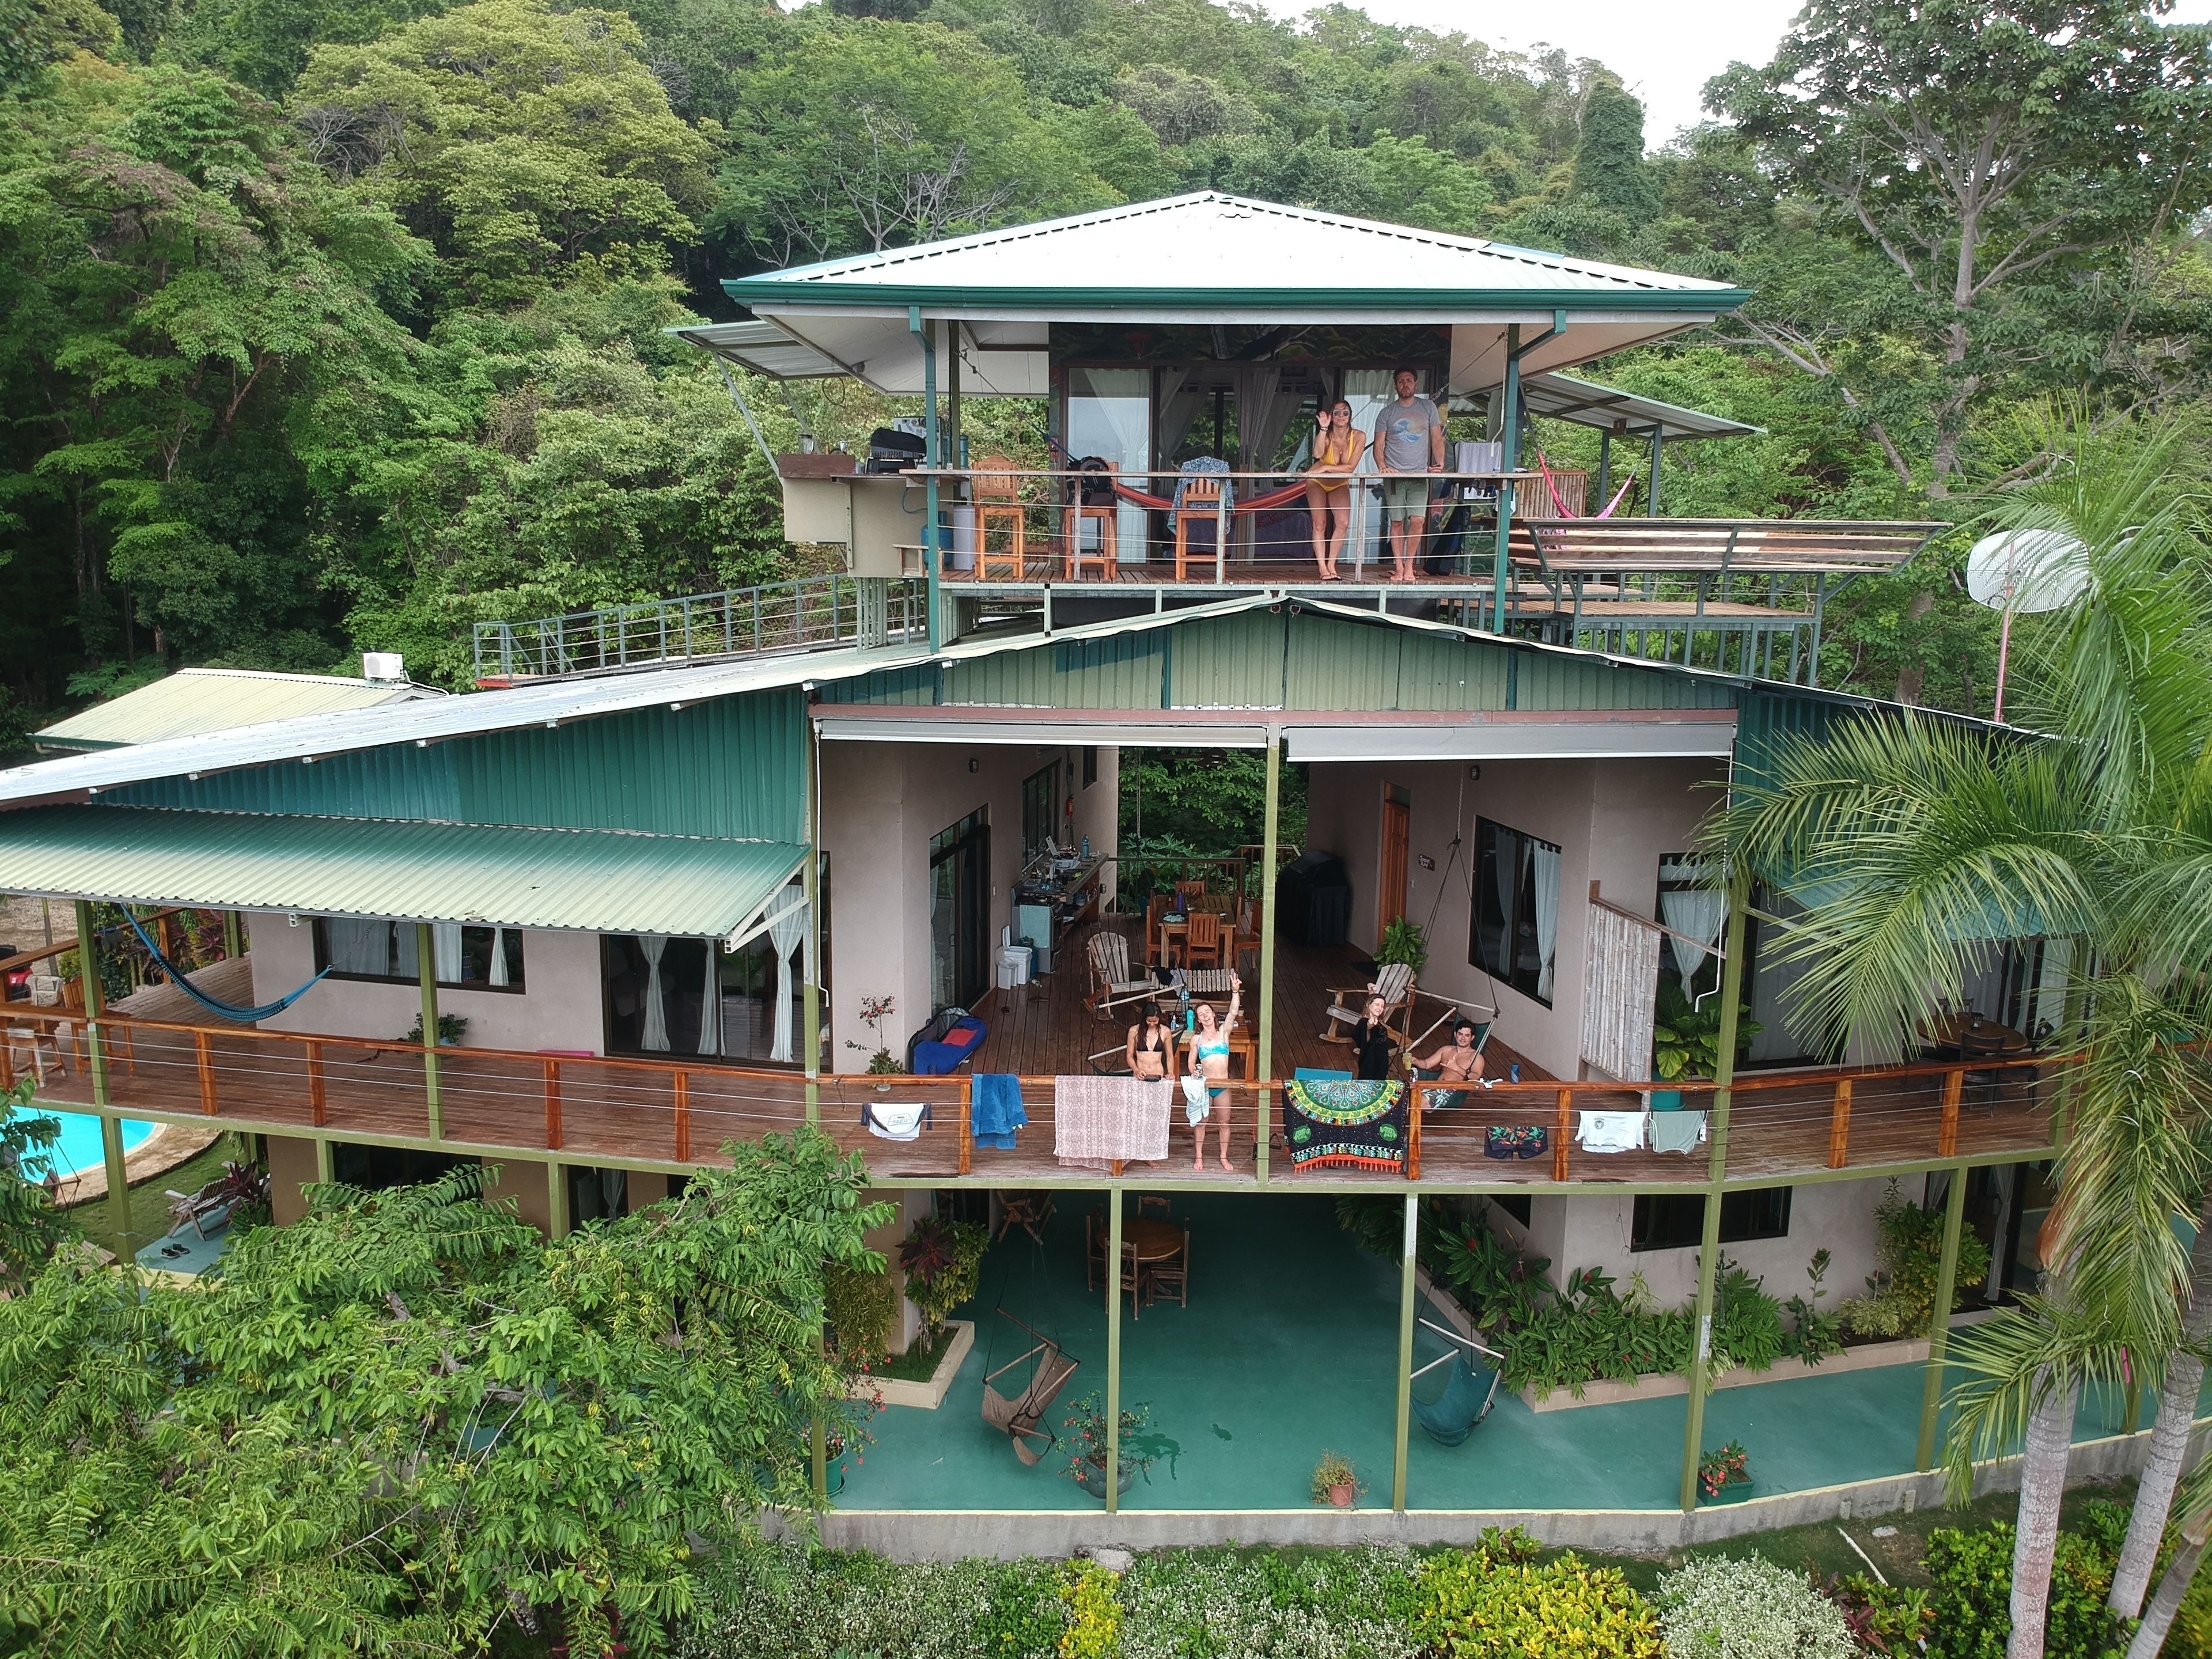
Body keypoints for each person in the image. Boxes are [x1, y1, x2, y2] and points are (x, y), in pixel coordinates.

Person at [1371, 368, 1443, 582]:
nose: (1405, 384)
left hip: (1419, 475)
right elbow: (1379, 445)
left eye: (1409, 381)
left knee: (1418, 520)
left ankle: (1410, 566)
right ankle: (1399, 567)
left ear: (1416, 384)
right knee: (1396, 522)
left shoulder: (1428, 407)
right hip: (1394, 475)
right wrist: (1382, 466)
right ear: (1395, 386)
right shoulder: (1386, 413)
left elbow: (1437, 438)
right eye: (1401, 381)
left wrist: (1440, 463)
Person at [1183, 969, 1243, 1172]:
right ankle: (1199, 1157)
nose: (1205, 1016)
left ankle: (1224, 1157)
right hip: (1205, 1086)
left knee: (1224, 1123)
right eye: (1201, 1015)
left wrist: (1235, 992)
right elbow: (1191, 1063)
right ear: (1198, 1020)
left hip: (1223, 1086)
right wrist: (1195, 1072)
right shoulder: (1196, 1039)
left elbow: (1234, 1012)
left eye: (1207, 1013)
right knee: (1202, 1124)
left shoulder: (1224, 1033)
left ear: (1214, 1015)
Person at [1302, 399, 1366, 579]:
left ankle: (1332, 564)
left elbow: (1350, 467)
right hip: (1317, 481)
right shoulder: (1327, 434)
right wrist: (1323, 428)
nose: (1341, 416)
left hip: (1338, 482)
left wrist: (1327, 468)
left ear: (1350, 416)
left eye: (1345, 413)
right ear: (1332, 416)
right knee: (1319, 524)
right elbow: (1317, 454)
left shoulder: (1359, 436)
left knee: (1343, 523)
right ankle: (1322, 567)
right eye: (1337, 413)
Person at [1411, 1017, 1487, 1111]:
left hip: (1451, 1092)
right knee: (1407, 1099)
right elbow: (1426, 1064)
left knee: (1419, 1102)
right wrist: (1416, 1061)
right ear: (1455, 1035)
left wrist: (1456, 1068)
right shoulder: (1446, 1050)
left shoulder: (1476, 1057)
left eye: (1467, 1035)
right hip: (1434, 1086)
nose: (1463, 1038)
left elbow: (1475, 1078)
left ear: (1472, 1038)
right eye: (1460, 1034)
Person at [1349, 991, 1398, 1082]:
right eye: (1377, 1005)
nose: (1380, 1008)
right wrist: (1370, 1026)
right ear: (1368, 1005)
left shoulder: (1379, 1022)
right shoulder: (1364, 1022)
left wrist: (1372, 991)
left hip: (1381, 1062)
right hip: (1370, 1063)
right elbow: (1366, 1034)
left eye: (1382, 1006)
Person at [1125, 1002, 1173, 1081]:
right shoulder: (1134, 1031)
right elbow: (1129, 1056)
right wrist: (1136, 1070)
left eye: (1155, 1021)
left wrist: (1171, 1072)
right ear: (1144, 1018)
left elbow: (1170, 1055)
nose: (1152, 1024)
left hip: (1158, 1074)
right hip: (1140, 1075)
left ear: (1159, 1018)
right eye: (1149, 1021)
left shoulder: (1166, 1031)